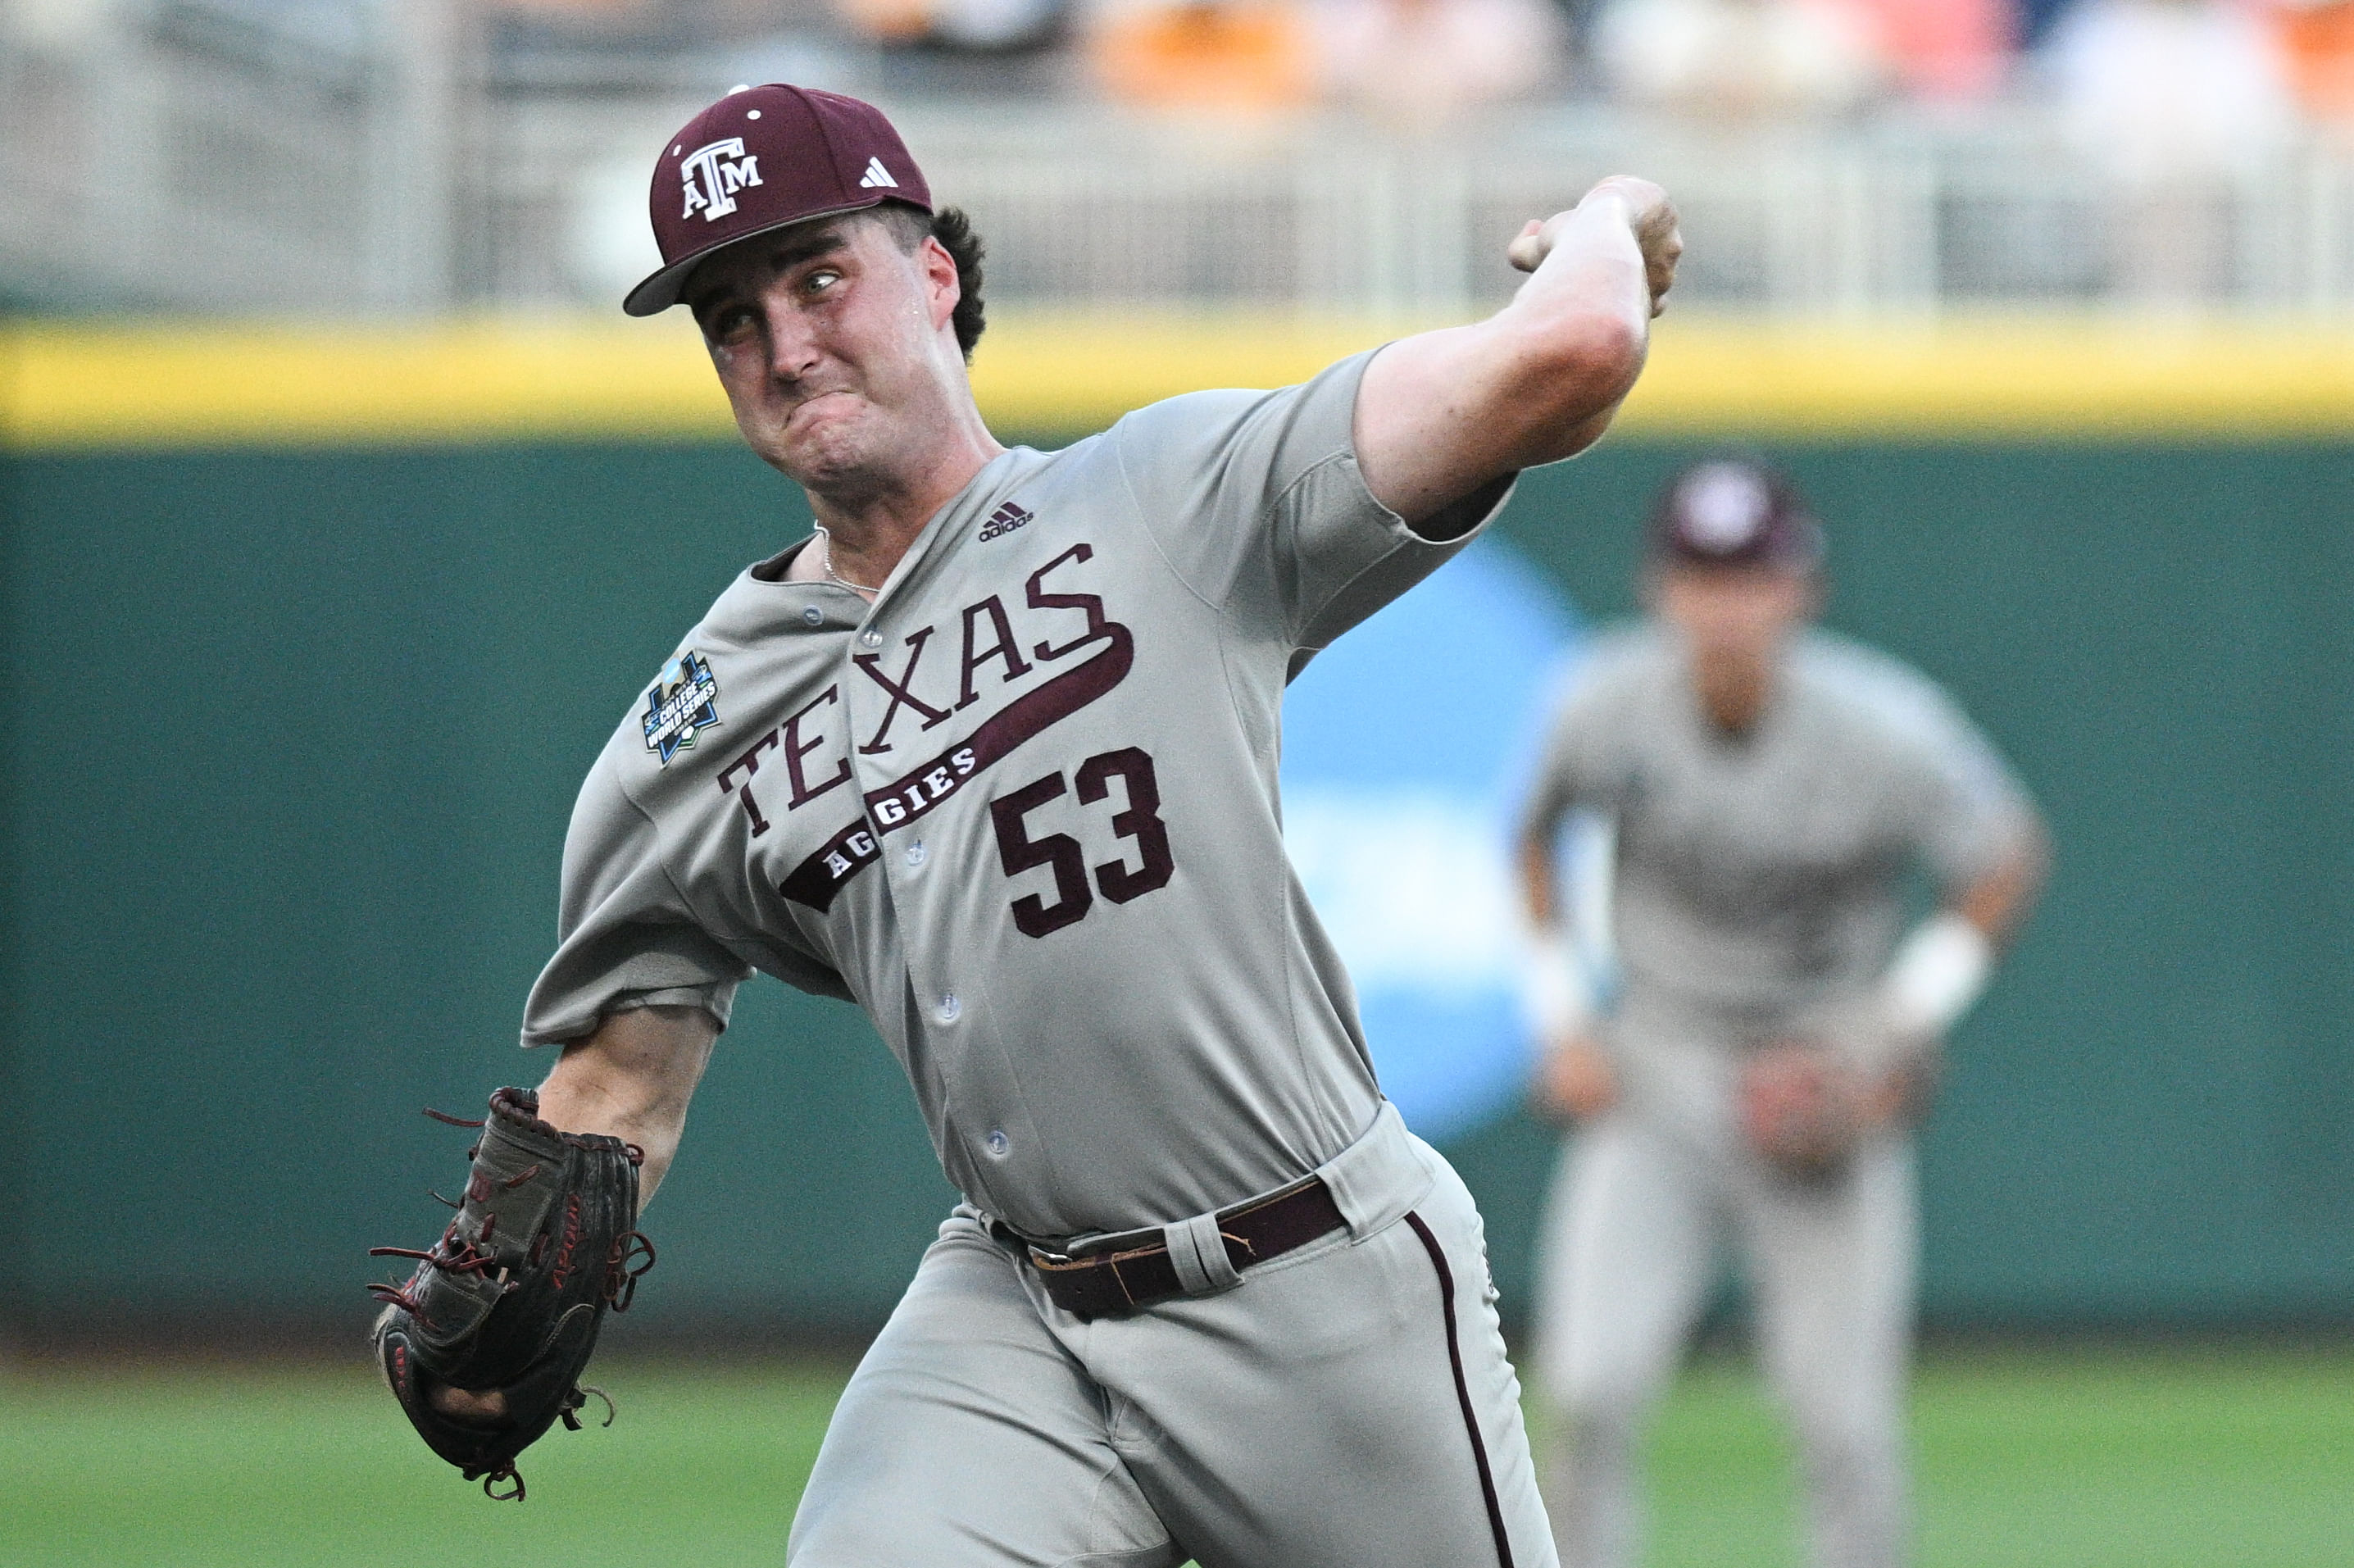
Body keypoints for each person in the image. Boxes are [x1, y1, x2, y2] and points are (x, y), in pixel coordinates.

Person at [431, 82, 1679, 1566]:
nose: (785, 343)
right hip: (1018, 1310)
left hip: (1319, 1284)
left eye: (819, 275)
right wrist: (497, 1283)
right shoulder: (699, 731)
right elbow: (622, 1082)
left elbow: (1579, 351)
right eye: (732, 318)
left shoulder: (1167, 501)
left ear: (937, 273)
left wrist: (1607, 221)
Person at [1515, 457, 2047, 1568]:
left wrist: (1901, 1022)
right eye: (1704, 575)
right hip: (1660, 1064)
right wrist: (1562, 1015)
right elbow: (1532, 833)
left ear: (1799, 587)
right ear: (1662, 586)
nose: (1727, 605)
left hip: (1821, 1072)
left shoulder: (1881, 724)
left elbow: (2005, 855)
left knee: (1845, 1426)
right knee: (1589, 1387)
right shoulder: (1605, 699)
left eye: (1752, 575)